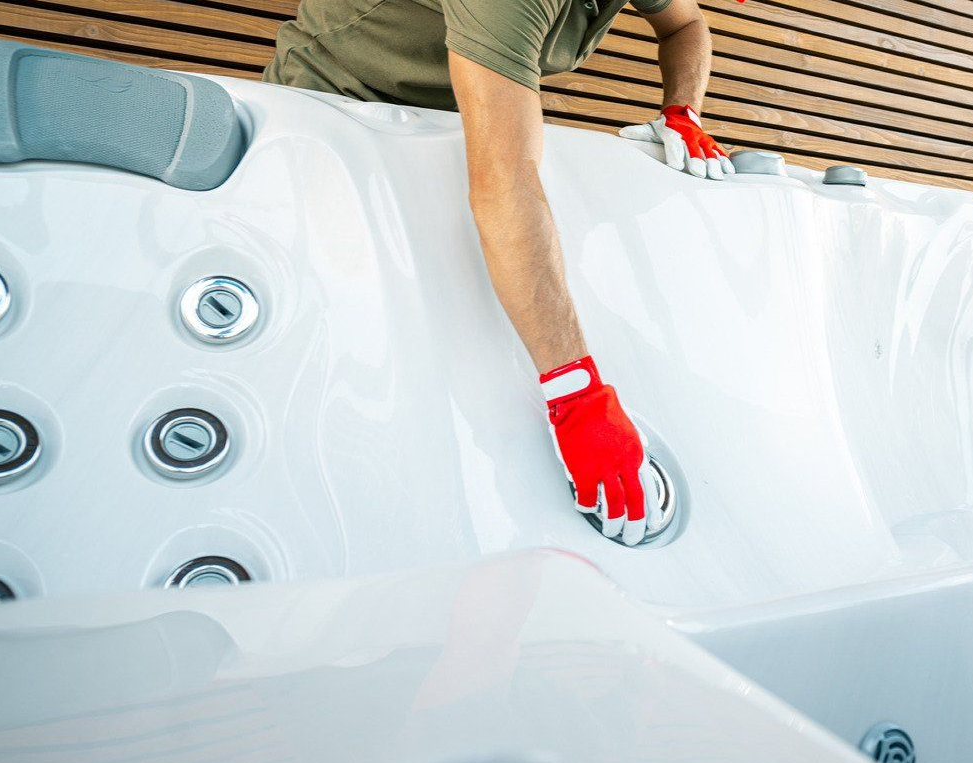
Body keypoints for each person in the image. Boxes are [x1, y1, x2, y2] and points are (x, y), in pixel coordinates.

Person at [265, 0, 737, 545]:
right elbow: (505, 180)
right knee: (360, 349)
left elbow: (685, 25)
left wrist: (684, 112)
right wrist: (578, 397)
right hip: (333, 113)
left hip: (449, 118)